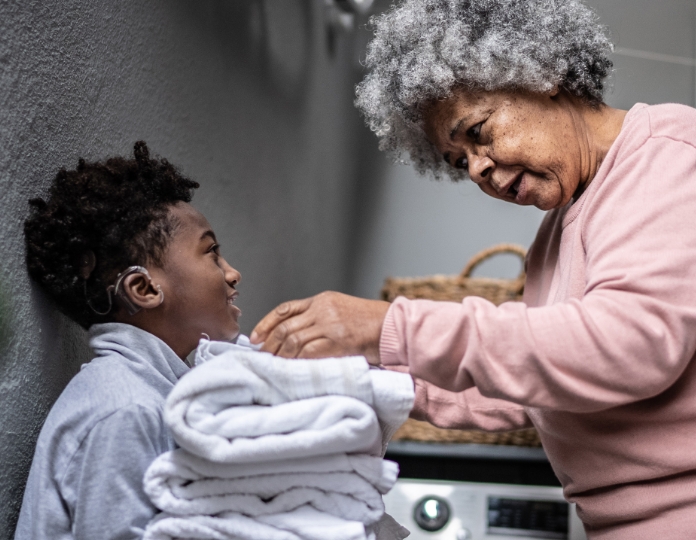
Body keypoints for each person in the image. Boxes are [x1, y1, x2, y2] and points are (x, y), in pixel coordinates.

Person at [250, 0, 696, 537]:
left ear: (543, 72)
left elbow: (627, 345)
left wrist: (389, 326)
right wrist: (361, 376)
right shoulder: (552, 238)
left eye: (479, 132)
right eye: (460, 162)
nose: (479, 169)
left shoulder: (671, 153)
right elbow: (526, 383)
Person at [16, 141, 242, 539]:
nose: (232, 273)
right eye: (212, 253)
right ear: (143, 288)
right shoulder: (126, 408)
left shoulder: (151, 396)